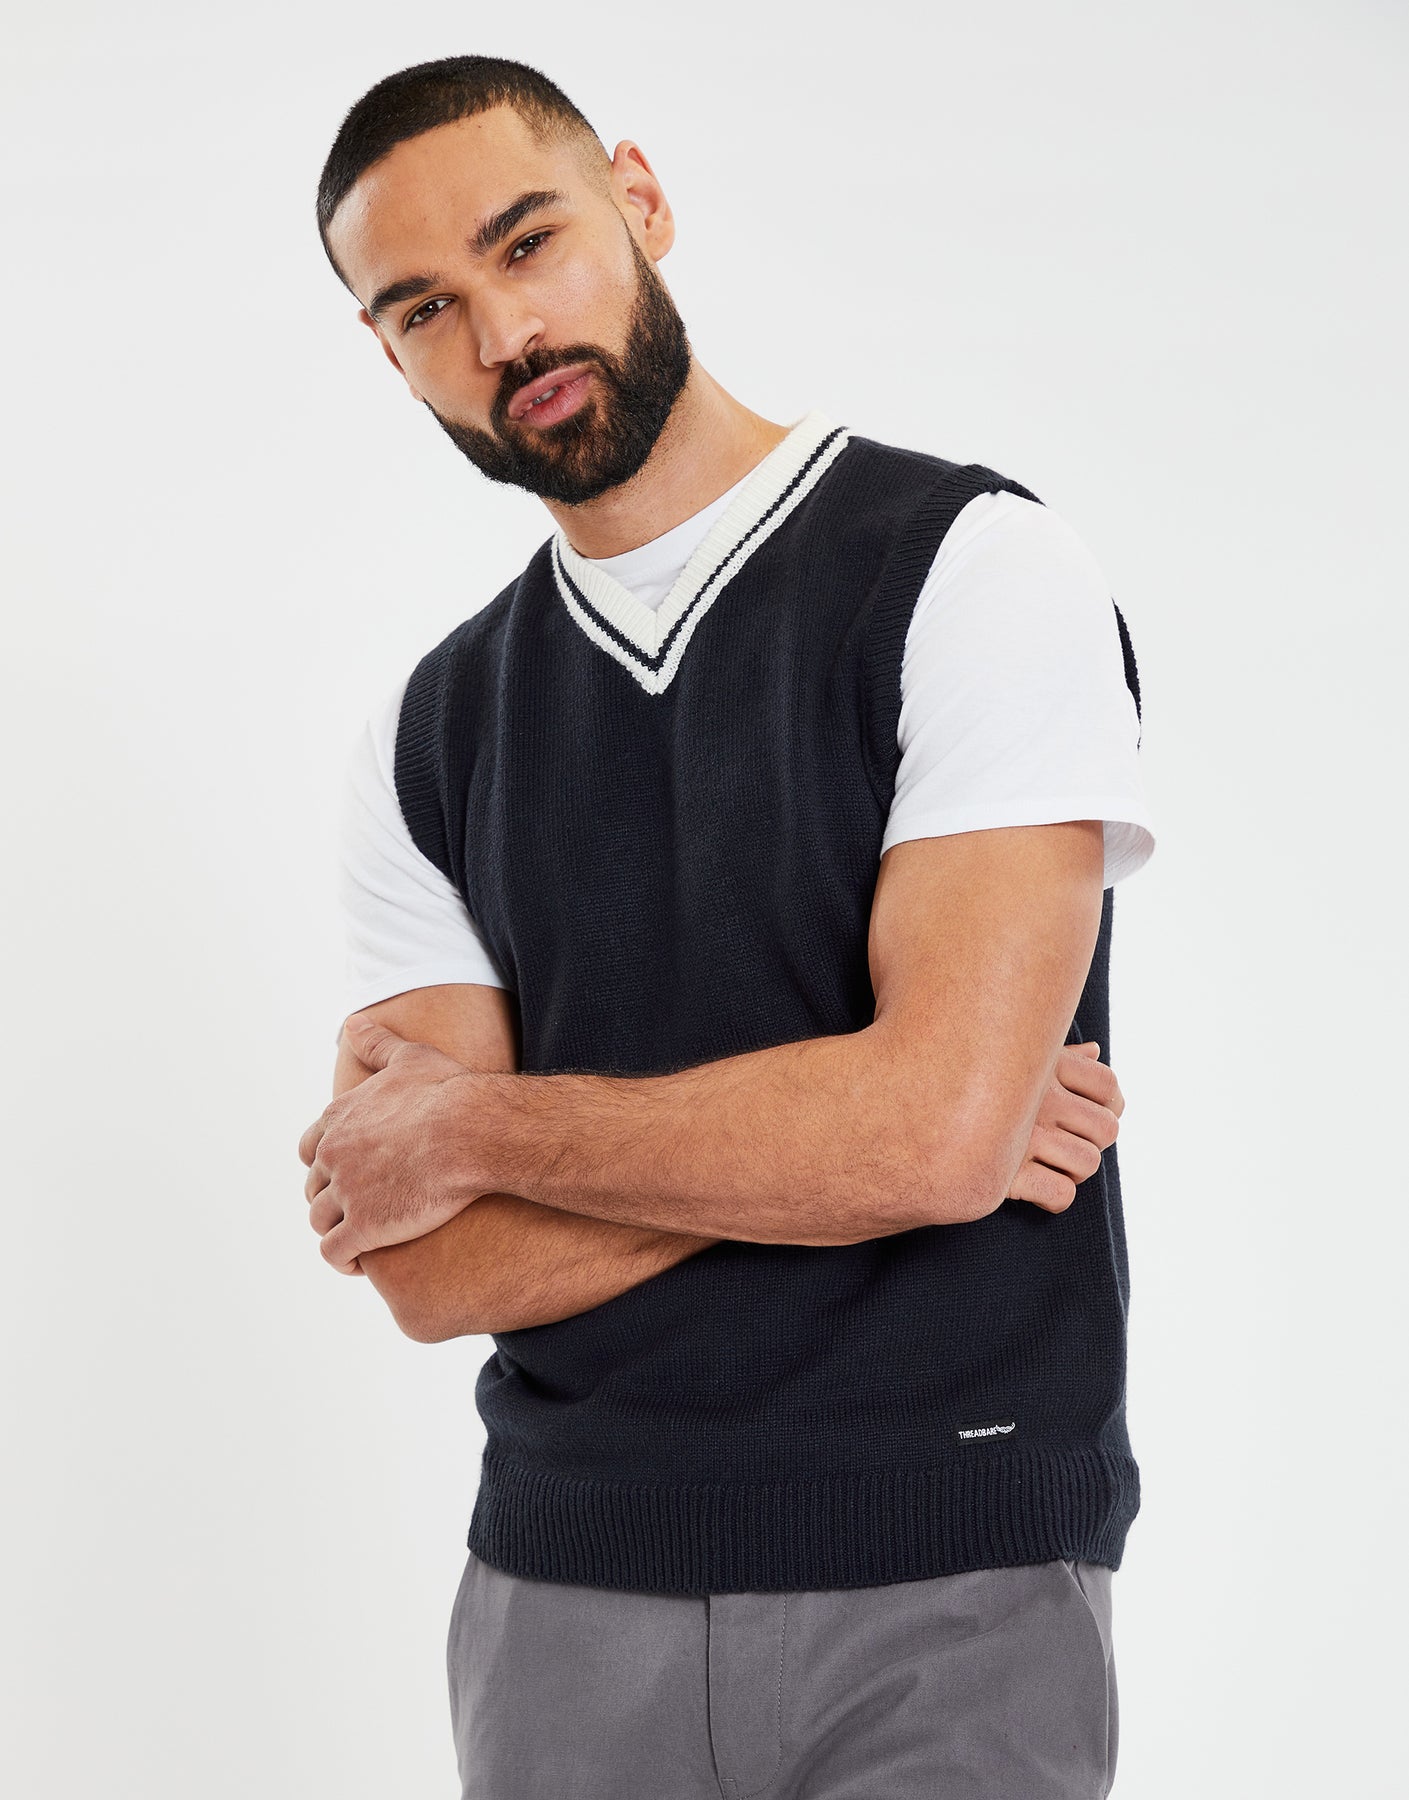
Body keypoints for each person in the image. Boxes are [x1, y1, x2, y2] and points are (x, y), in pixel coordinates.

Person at [298, 53, 1156, 1800]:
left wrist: (473, 1131)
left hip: (948, 1572)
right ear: (386, 355)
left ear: (638, 199)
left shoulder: (968, 570)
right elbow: (431, 1268)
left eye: (527, 242)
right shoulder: (434, 729)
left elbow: (928, 1133)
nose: (504, 332)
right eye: (425, 308)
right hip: (558, 1599)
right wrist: (878, 1132)